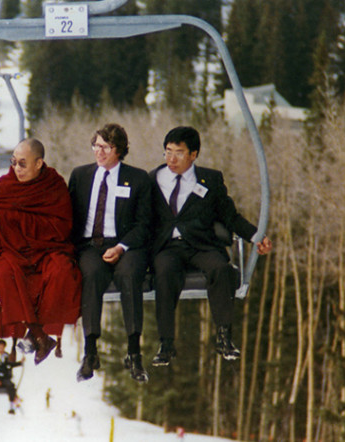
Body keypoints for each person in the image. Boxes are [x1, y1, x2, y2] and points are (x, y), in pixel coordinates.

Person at [149, 126, 273, 365]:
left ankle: (224, 336)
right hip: (167, 246)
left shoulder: (211, 179)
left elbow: (230, 216)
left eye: (179, 153)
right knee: (164, 273)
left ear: (193, 154)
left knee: (221, 269)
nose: (171, 159)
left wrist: (255, 236)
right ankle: (166, 343)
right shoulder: (152, 179)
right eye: (167, 152)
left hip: (200, 245)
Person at [0, 138, 82, 365]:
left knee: (61, 271)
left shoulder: (54, 185)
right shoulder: (6, 185)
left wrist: (22, 221)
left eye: (22, 164)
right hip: (12, 251)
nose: (17, 168)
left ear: (39, 163)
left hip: (47, 250)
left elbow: (62, 226)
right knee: (4, 272)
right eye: (14, 162)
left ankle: (38, 334)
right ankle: (38, 334)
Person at [69, 123, 152, 383]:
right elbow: (69, 216)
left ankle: (134, 351)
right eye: (96, 145)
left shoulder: (138, 179)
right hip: (91, 243)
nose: (98, 151)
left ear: (119, 149)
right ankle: (90, 351)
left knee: (129, 276)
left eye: (105, 146)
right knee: (91, 275)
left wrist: (121, 247)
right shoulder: (80, 175)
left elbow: (144, 223)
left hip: (126, 243)